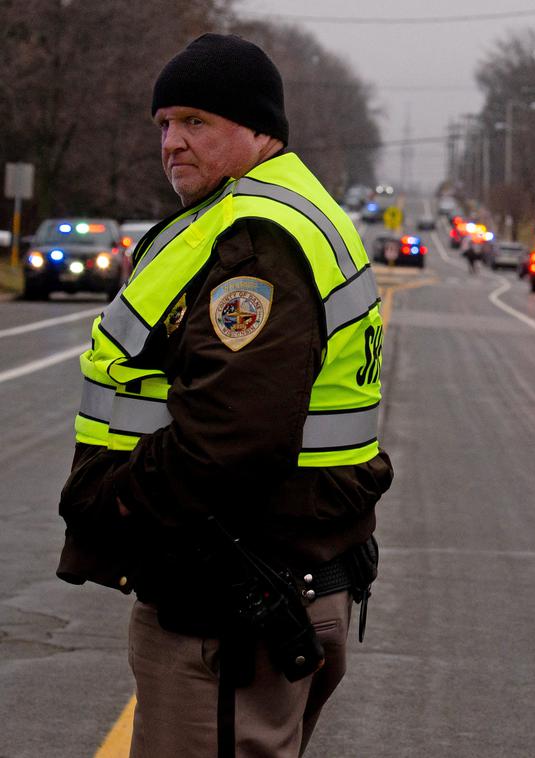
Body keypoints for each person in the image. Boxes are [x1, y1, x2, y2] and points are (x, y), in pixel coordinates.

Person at [55, 33, 392, 758]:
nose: (173, 142)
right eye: (165, 124)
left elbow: (229, 437)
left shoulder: (259, 240)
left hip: (233, 606)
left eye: (196, 122)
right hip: (275, 582)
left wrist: (112, 503)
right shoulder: (263, 213)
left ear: (261, 128)